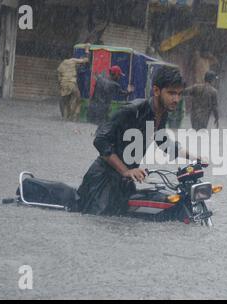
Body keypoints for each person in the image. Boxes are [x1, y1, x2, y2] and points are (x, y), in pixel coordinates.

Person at [77, 66, 199, 216]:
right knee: (103, 224)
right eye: (171, 93)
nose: (176, 99)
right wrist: (126, 170)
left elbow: (163, 142)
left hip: (125, 182)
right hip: (102, 181)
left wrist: (194, 157)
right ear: (156, 91)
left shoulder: (162, 113)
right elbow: (101, 140)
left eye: (179, 94)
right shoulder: (132, 110)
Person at [57, 47, 89, 121]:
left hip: (63, 84)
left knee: (66, 102)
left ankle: (65, 117)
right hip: (71, 83)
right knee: (78, 99)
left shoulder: (61, 65)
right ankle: (74, 117)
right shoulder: (72, 60)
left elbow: (59, 79)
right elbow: (86, 60)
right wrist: (87, 50)